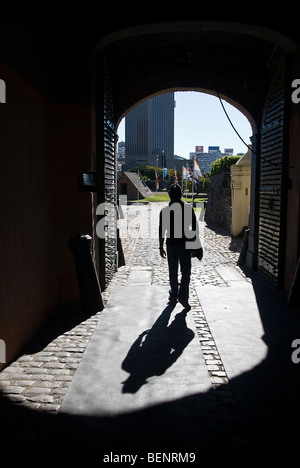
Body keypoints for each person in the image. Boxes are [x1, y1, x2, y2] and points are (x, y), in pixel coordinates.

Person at [159, 184, 198, 311]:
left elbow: (161, 230)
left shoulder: (164, 211)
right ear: (181, 194)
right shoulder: (188, 208)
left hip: (171, 245)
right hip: (185, 245)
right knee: (186, 272)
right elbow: (194, 229)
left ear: (169, 195)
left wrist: (160, 246)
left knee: (173, 271)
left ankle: (174, 294)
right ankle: (183, 296)